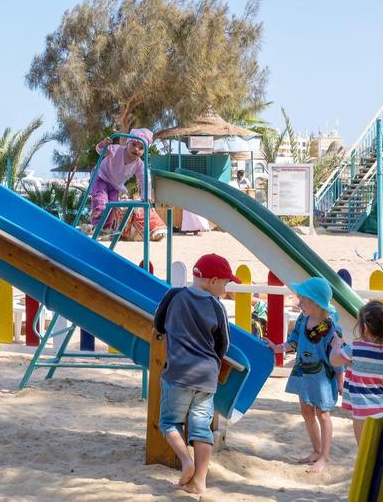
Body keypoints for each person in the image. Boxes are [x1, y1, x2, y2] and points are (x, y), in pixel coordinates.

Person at [153, 253, 237, 495]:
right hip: (206, 377)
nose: (225, 288)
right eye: (225, 283)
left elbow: (159, 325)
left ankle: (185, 461)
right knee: (201, 429)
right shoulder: (216, 306)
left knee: (169, 422)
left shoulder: (174, 296)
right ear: (213, 281)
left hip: (178, 373)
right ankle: (200, 481)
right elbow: (224, 344)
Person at [265, 277, 342, 474]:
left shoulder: (331, 328)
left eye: (302, 300)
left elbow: (339, 356)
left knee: (323, 414)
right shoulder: (302, 319)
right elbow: (294, 341)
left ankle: (324, 456)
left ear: (316, 302)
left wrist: (341, 382)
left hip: (323, 379)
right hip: (303, 374)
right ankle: (316, 450)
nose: (298, 303)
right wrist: (278, 348)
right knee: (307, 412)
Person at [329, 301, 383, 444]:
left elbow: (335, 361)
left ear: (365, 327)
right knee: (381, 448)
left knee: (364, 448)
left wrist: (336, 346)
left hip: (363, 410)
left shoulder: (355, 349)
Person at [90, 128, 153, 230]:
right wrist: (103, 144)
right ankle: (97, 222)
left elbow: (145, 179)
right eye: (133, 145)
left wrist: (146, 196)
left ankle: (106, 228)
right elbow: (100, 151)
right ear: (127, 143)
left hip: (114, 185)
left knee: (113, 206)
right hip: (101, 176)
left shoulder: (139, 165)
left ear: (144, 151)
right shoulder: (116, 149)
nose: (136, 149)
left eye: (141, 148)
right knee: (101, 199)